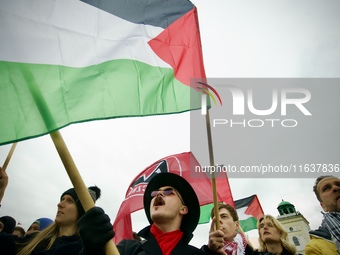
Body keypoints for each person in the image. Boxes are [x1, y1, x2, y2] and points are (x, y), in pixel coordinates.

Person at [77, 172, 208, 255]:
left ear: (183, 209)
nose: (159, 194)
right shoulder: (127, 248)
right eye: (155, 193)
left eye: (169, 191)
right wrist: (91, 249)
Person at [0, 185, 101, 255]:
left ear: (81, 211)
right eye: (62, 199)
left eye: (70, 201)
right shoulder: (34, 239)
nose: (60, 204)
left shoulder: (82, 249)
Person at [305, 175, 340, 255]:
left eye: (339, 184)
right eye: (326, 188)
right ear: (323, 206)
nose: (336, 188)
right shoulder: (315, 248)